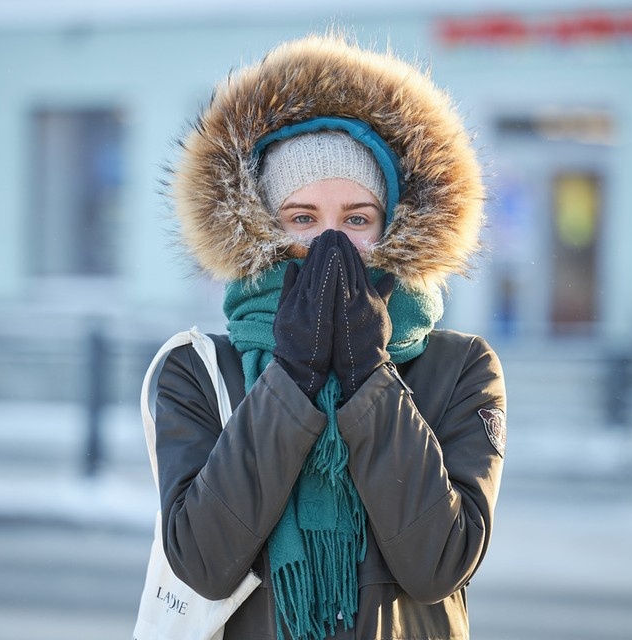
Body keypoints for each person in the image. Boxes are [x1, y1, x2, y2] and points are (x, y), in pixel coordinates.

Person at [154, 34, 506, 640]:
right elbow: (203, 563)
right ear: (262, 229)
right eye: (302, 219)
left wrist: (370, 378)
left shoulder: (460, 368)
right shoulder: (200, 371)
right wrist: (290, 380)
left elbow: (439, 564)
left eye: (357, 219)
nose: (331, 246)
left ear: (394, 226)